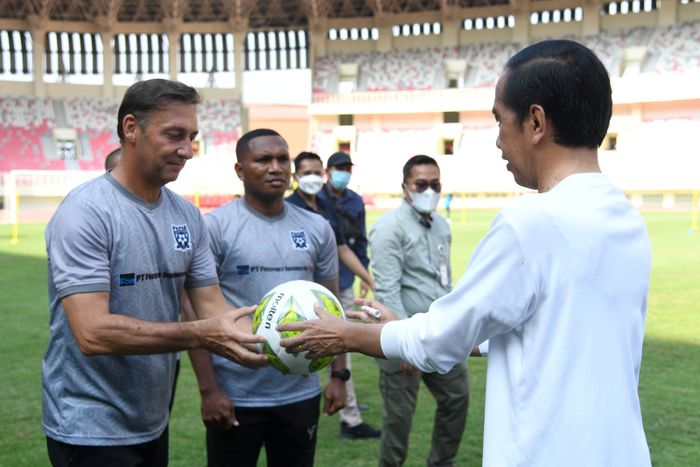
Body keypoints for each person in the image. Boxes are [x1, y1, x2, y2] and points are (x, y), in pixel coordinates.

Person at [279, 40, 653, 466]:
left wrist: (345, 334)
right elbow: (553, 334)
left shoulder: (529, 222)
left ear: (535, 122)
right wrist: (413, 326)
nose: (497, 141)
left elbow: (439, 341)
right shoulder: (627, 220)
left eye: (499, 121)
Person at [42, 79, 266, 467]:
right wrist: (200, 334)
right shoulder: (85, 213)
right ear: (131, 129)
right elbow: (92, 332)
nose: (188, 150)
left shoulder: (187, 216)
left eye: (193, 137)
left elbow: (213, 306)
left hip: (151, 419)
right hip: (88, 425)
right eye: (175, 135)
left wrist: (290, 333)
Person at [185, 129, 348, 467]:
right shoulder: (215, 227)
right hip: (235, 395)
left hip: (300, 390)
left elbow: (333, 305)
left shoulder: (317, 228)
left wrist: (338, 376)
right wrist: (209, 390)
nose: (276, 167)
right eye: (263, 160)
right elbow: (196, 315)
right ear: (240, 171)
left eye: (282, 159)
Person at [369, 155, 469, 466]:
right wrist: (405, 344)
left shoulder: (441, 224)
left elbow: (443, 278)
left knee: (457, 399)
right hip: (401, 333)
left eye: (435, 184)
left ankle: (442, 462)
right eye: (421, 184)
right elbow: (387, 290)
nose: (429, 190)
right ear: (405, 188)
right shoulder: (389, 228)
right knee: (399, 419)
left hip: (439, 332)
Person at [286, 151, 381, 440]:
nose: (313, 177)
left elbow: (342, 247)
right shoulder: (288, 207)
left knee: (341, 349)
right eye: (307, 172)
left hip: (334, 289)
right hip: (302, 294)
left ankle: (347, 411)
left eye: (318, 171)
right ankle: (348, 416)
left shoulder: (326, 206)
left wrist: (367, 277)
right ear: (296, 176)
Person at [317, 151, 378, 440]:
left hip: (345, 278)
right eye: (339, 168)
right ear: (328, 171)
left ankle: (346, 402)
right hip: (320, 282)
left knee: (342, 346)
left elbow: (359, 240)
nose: (344, 172)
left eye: (347, 168)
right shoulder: (317, 199)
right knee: (339, 345)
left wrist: (364, 272)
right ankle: (351, 418)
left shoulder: (355, 200)